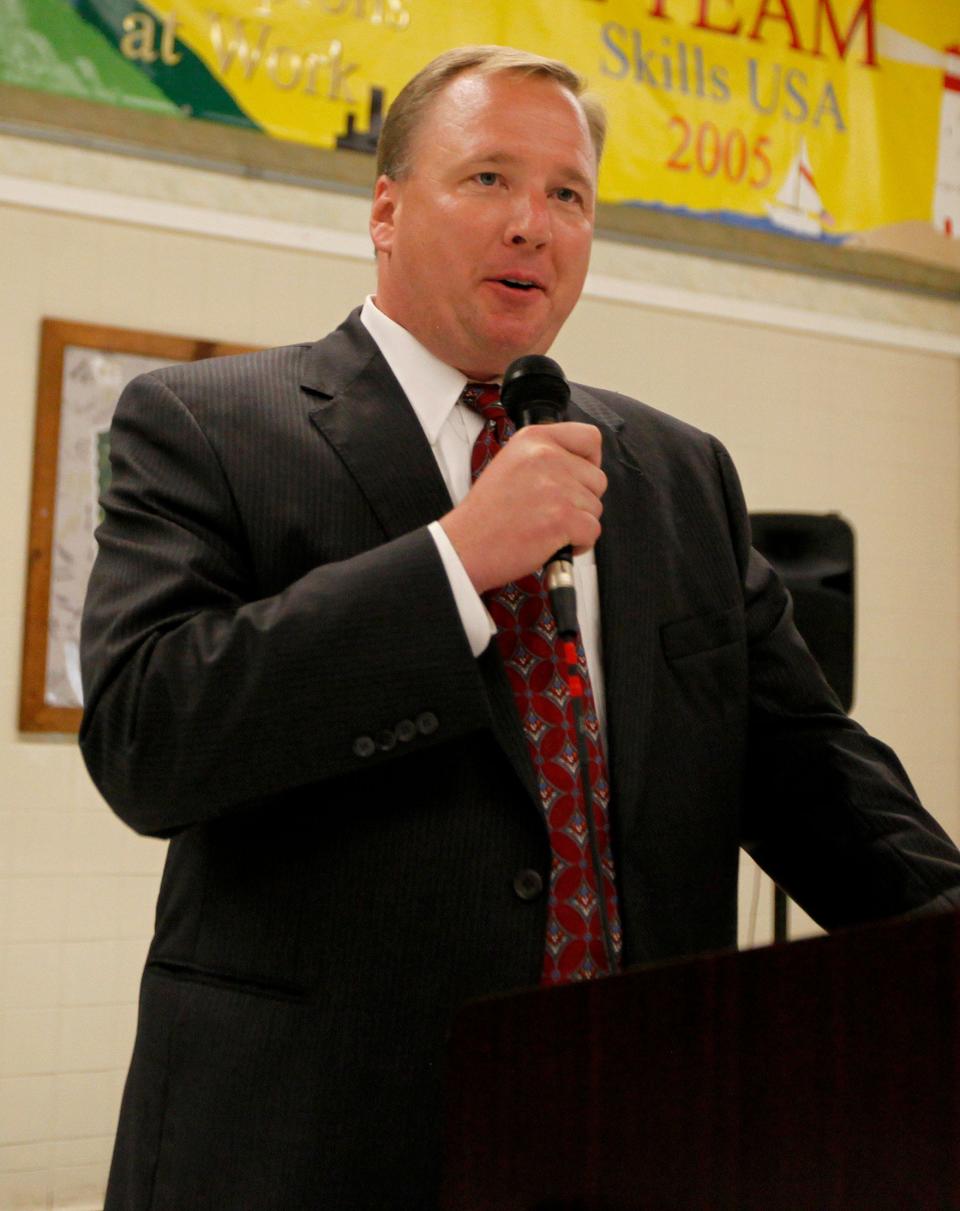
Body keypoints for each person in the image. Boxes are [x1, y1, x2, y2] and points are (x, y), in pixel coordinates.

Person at [80, 45, 960, 1211]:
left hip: (625, 1123)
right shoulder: (207, 425)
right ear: (385, 210)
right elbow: (151, 737)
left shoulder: (678, 472)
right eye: (488, 178)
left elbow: (808, 767)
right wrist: (454, 563)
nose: (532, 225)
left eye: (568, 193)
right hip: (313, 1142)